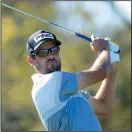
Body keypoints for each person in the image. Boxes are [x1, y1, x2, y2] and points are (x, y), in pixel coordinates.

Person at [26, 30, 120, 131]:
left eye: (54, 50)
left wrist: (112, 64)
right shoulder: (49, 84)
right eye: (43, 53)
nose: (51, 56)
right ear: (32, 60)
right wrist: (104, 49)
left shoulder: (68, 90)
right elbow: (99, 72)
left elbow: (103, 106)